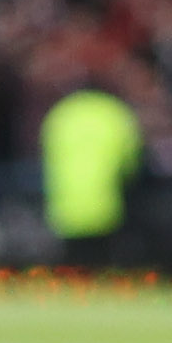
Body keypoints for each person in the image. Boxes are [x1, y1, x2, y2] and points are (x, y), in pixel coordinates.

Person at [41, 80, 146, 268]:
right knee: (102, 260)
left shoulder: (60, 114)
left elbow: (46, 154)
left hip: (65, 205)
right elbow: (131, 158)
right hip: (105, 203)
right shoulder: (113, 112)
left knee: (73, 263)